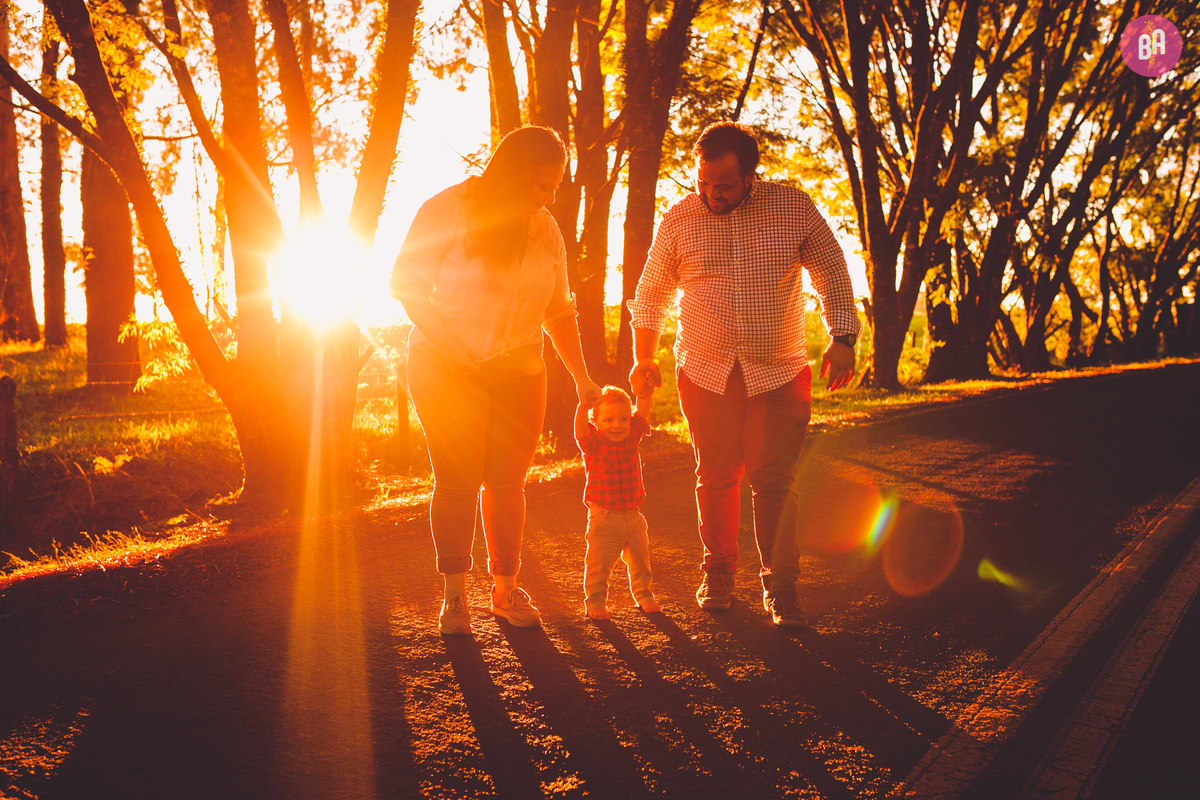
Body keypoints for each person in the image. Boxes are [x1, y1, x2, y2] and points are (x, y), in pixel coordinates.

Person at [627, 121, 861, 628]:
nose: (711, 194)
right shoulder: (680, 218)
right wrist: (643, 357)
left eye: (725, 186)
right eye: (703, 183)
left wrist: (843, 336)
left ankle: (781, 587)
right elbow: (650, 295)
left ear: (751, 176)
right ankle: (718, 572)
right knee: (714, 477)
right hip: (704, 371)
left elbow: (832, 271)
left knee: (773, 481)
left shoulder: (792, 208)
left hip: (779, 370)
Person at [392, 126, 601, 636]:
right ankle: (454, 599)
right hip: (444, 365)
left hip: (519, 368)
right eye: (542, 185)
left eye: (555, 187)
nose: (549, 196)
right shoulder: (449, 209)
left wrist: (582, 379)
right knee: (458, 480)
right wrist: (451, 347)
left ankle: (505, 591)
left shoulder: (546, 230)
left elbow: (560, 311)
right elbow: (407, 283)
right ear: (512, 175)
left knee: (508, 483)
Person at [574, 385, 661, 620]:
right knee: (599, 566)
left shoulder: (632, 438)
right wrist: (583, 406)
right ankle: (595, 601)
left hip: (634, 516)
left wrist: (644, 392)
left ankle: (644, 595)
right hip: (604, 518)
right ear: (595, 422)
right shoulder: (594, 445)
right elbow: (580, 431)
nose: (617, 425)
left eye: (624, 419)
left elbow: (641, 414)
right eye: (608, 419)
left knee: (641, 563)